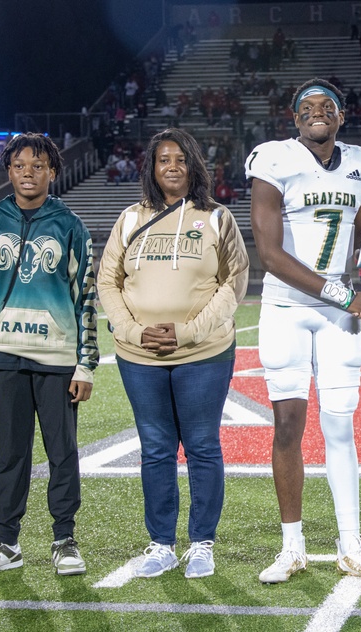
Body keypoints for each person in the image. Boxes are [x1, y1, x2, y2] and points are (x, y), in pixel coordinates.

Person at [245, 78, 361, 584]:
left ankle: (351, 546)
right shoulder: (273, 159)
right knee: (288, 426)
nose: (317, 112)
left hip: (338, 316)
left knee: (340, 426)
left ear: (341, 116)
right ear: (294, 119)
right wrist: (344, 294)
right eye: (307, 107)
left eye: (326, 106)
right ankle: (292, 547)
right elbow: (268, 255)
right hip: (287, 308)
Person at [97, 128, 249, 579]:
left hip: (204, 353)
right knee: (156, 450)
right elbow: (108, 281)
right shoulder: (129, 219)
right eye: (163, 159)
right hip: (138, 355)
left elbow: (234, 282)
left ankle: (202, 542)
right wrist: (133, 331)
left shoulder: (218, 217)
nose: (172, 166)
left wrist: (186, 332)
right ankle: (161, 543)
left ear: (194, 165)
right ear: (152, 168)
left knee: (202, 447)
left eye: (180, 159)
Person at [0, 133, 98, 577]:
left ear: (52, 172)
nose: (28, 174)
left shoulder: (70, 225)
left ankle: (64, 539)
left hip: (57, 357)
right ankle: (6, 543)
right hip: (4, 356)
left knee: (62, 452)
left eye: (38, 166)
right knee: (12, 453)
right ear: (9, 172)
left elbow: (86, 298)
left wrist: (86, 364)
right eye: (19, 166)